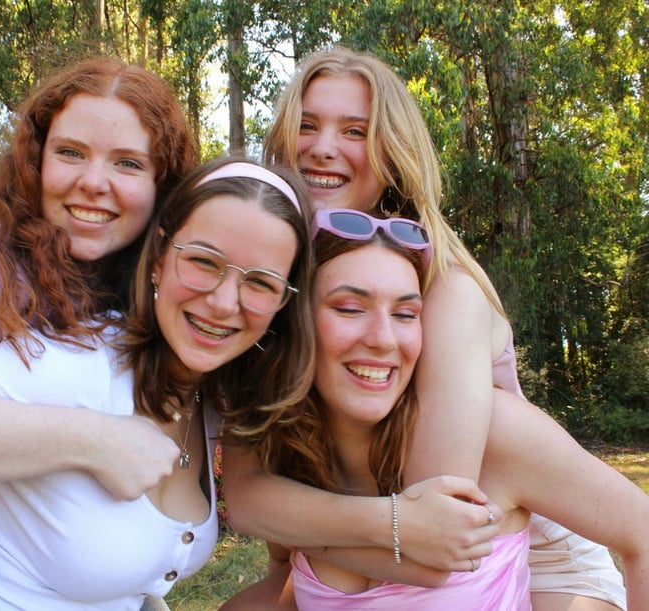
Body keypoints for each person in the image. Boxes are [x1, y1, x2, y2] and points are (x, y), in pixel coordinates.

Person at [222, 45, 627, 609]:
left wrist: (298, 528)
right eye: (306, 125)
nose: (321, 147)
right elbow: (245, 495)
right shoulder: (277, 278)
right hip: (373, 551)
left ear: (392, 153)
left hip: (527, 550)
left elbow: (425, 542)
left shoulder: (445, 287)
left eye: (355, 131)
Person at [0, 55, 197, 609]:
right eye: (70, 152)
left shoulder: (150, 287)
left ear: (162, 184)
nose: (92, 182)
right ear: (36, 160)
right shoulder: (6, 264)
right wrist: (91, 440)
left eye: (127, 163)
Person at [225, 211, 649, 610]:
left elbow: (642, 531)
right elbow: (286, 586)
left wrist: (306, 535)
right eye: (350, 308)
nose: (383, 338)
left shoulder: (496, 437)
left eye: (406, 314)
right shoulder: (294, 456)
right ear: (295, 325)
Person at [0, 156, 314, 609]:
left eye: (260, 283)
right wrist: (85, 439)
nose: (224, 303)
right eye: (204, 261)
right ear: (159, 258)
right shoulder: (77, 363)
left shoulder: (211, 401)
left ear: (283, 303)